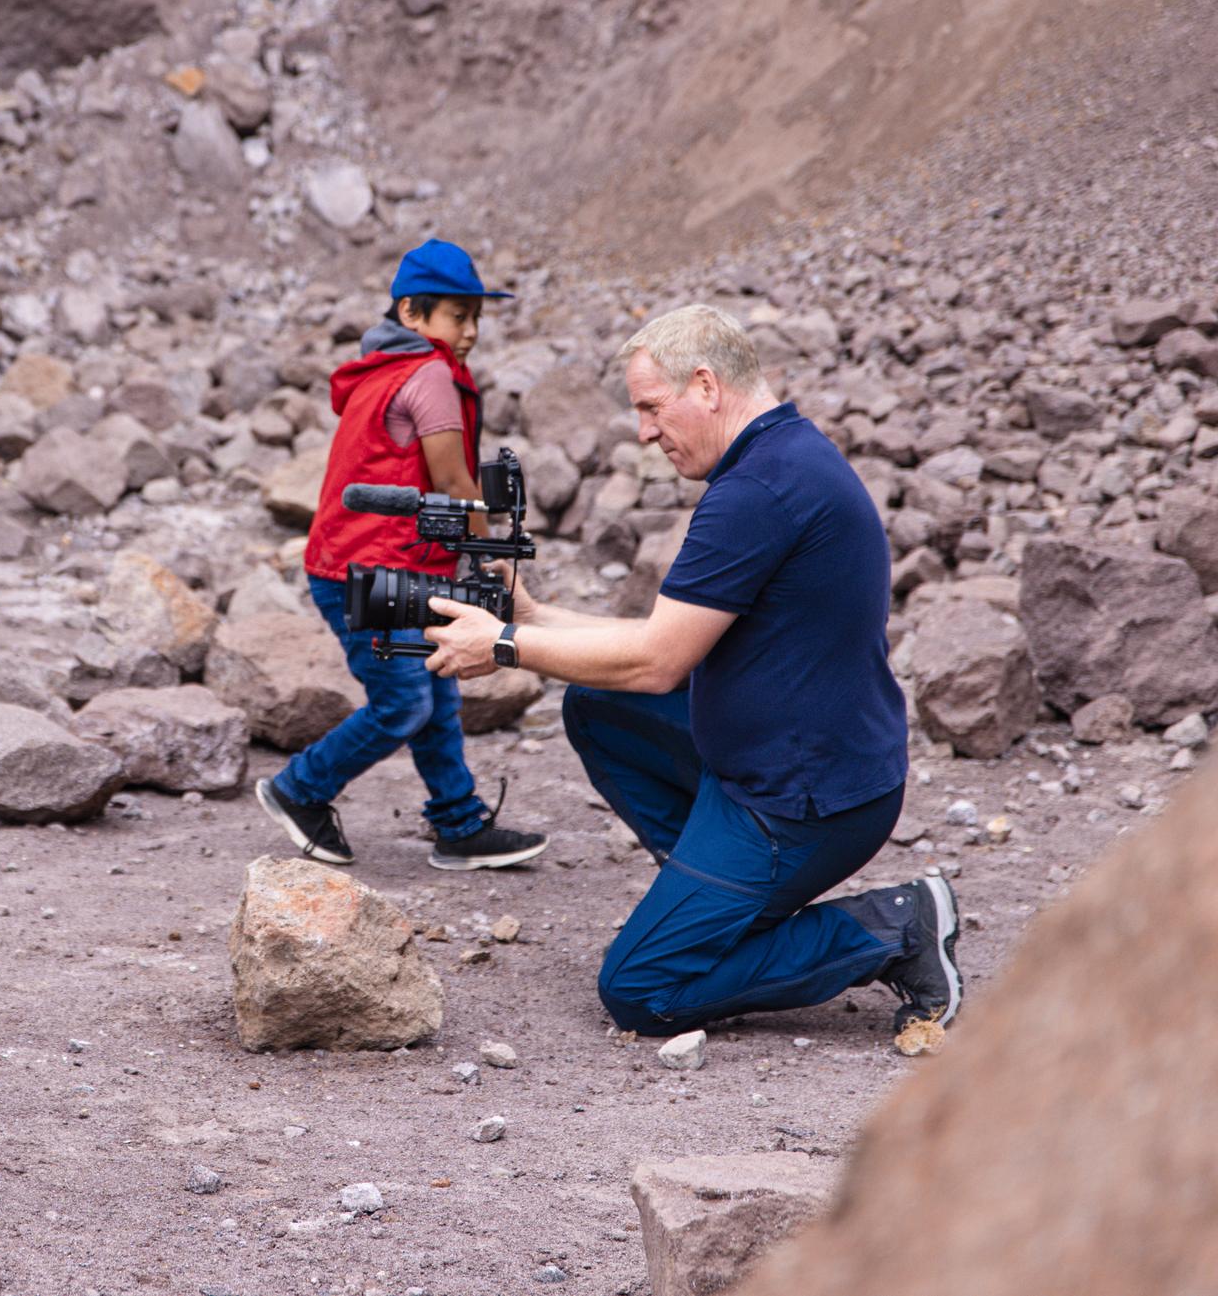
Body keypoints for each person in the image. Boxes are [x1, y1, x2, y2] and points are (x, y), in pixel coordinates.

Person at [421, 303, 962, 1038]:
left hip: (804, 801)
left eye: (651, 407)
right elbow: (662, 637)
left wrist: (506, 647)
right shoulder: (781, 457)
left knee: (641, 987)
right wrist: (534, 617)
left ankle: (895, 927)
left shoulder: (756, 494)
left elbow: (655, 661)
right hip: (792, 761)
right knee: (595, 705)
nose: (644, 432)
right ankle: (715, 898)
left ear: (705, 385)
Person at [254, 239, 548, 872]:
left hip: (366, 562)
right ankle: (298, 790)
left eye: (476, 317)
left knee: (437, 692)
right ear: (412, 313)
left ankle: (459, 823)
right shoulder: (432, 375)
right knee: (405, 704)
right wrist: (487, 547)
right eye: (456, 317)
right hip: (369, 569)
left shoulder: (385, 368)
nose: (469, 332)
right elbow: (450, 481)